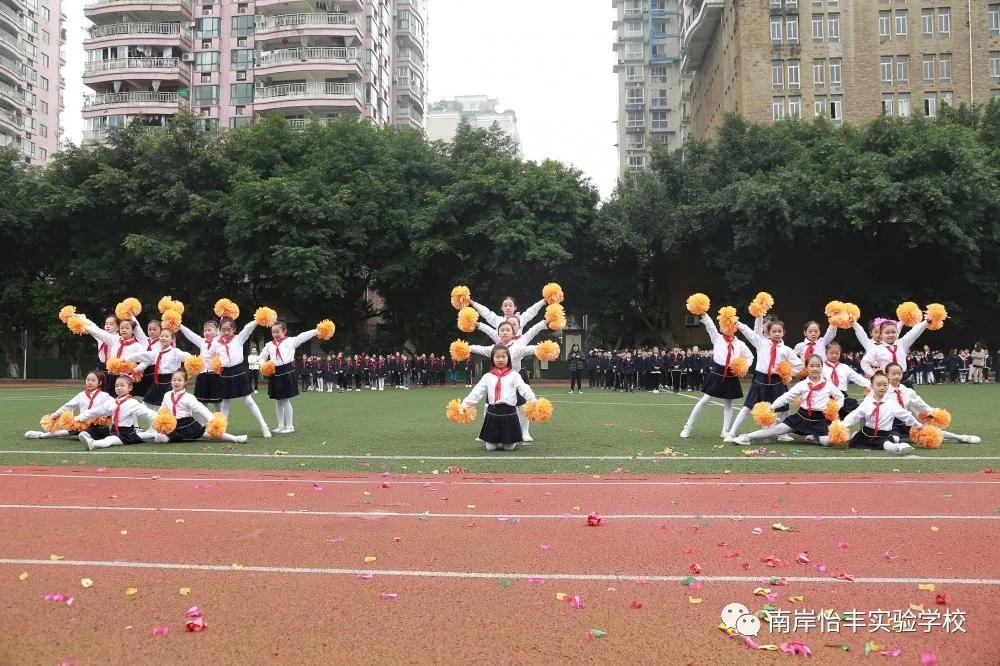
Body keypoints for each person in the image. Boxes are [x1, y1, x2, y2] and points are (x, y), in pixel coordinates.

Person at [731, 355, 844, 446]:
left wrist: (835, 407)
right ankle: (746, 437)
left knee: (827, 442)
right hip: (802, 417)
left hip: (820, 420)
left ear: (821, 367)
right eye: (812, 366)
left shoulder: (828, 385)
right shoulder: (802, 385)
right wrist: (772, 407)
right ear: (807, 368)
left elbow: (840, 397)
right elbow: (787, 397)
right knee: (776, 430)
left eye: (818, 366)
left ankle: (814, 436)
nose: (815, 368)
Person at [725, 318, 803, 441]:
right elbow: (748, 332)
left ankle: (782, 434)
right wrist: (738, 323)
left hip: (777, 381)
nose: (777, 334)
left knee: (784, 409)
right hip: (760, 380)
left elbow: (799, 365)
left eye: (779, 331)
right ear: (769, 332)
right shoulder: (761, 342)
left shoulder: (786, 349)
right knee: (747, 407)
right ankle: (731, 433)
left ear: (783, 332)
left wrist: (788, 374)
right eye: (774, 331)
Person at [680, 312, 754, 439]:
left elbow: (749, 356)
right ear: (721, 327)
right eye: (725, 325)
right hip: (717, 372)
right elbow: (710, 326)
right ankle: (688, 427)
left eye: (731, 325)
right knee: (705, 400)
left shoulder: (740, 344)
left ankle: (725, 431)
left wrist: (744, 367)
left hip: (731, 374)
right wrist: (704, 314)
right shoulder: (717, 338)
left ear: (735, 327)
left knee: (729, 403)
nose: (728, 328)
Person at [461, 345, 538, 451]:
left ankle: (511, 439)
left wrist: (532, 399)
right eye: (497, 357)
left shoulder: (514, 375)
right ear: (492, 358)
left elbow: (524, 388)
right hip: (493, 412)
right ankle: (494, 439)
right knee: (490, 447)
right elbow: (477, 391)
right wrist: (466, 403)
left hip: (509, 412)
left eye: (503, 357)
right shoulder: (488, 376)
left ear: (508, 359)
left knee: (509, 448)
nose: (500, 359)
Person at [883, 363, 981, 444]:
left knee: (929, 431)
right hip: (888, 422)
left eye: (899, 374)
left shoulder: (907, 391)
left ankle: (961, 437)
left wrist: (932, 413)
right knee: (893, 439)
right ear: (886, 374)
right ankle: (899, 440)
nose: (897, 376)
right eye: (893, 374)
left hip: (906, 421)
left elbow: (920, 404)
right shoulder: (882, 390)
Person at [208, 317, 270, 438]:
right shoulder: (216, 342)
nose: (226, 332)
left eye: (228, 329)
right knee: (225, 403)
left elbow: (247, 329)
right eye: (223, 330)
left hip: (238, 371)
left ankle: (264, 426)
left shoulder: (238, 339)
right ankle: (222, 430)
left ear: (234, 329)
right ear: (220, 330)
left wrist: (258, 320)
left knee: (249, 400)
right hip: (224, 373)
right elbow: (210, 356)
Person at [257, 320, 319, 434]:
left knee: (285, 400)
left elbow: (303, 336)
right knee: (278, 401)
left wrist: (317, 330)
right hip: (275, 373)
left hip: (287, 371)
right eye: (273, 332)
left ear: (284, 331)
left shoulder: (291, 341)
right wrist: (264, 365)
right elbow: (261, 357)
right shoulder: (269, 345)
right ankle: (280, 425)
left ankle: (290, 426)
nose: (275, 334)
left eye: (278, 331)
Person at [155, 371, 247, 444]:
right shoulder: (167, 395)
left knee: (207, 434)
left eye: (180, 380)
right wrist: (159, 423)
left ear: (185, 382)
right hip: (172, 425)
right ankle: (171, 436)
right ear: (171, 381)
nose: (176, 382)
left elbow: (201, 409)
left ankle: (236, 438)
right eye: (174, 380)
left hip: (187, 424)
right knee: (159, 439)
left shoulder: (189, 397)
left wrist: (212, 419)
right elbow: (162, 410)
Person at [841, 371, 920, 454]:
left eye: (885, 385)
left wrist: (919, 426)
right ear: (872, 386)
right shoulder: (867, 402)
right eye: (878, 385)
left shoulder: (892, 403)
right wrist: (841, 425)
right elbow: (854, 415)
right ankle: (895, 439)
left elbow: (906, 415)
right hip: (867, 432)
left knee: (885, 444)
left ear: (888, 385)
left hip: (883, 434)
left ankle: (900, 446)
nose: (882, 388)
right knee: (853, 443)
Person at [73, 375, 158, 450]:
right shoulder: (112, 403)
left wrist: (160, 419)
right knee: (133, 436)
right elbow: (97, 411)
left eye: (122, 385)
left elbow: (147, 412)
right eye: (116, 386)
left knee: (110, 440)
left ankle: (93, 444)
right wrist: (80, 417)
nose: (119, 388)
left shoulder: (132, 402)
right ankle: (153, 434)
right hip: (114, 431)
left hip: (125, 434)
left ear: (130, 388)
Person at [25, 371, 112, 440]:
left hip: (99, 426)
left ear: (99, 383)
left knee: (84, 433)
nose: (90, 382)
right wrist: (55, 415)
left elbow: (114, 406)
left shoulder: (104, 395)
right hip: (82, 423)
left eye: (93, 380)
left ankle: (89, 439)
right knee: (65, 432)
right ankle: (41, 435)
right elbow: (68, 406)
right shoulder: (81, 395)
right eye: (88, 380)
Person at [81, 314, 148, 394]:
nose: (124, 330)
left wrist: (138, 369)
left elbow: (147, 359)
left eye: (127, 328)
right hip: (111, 375)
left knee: (123, 399)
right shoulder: (114, 340)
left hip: (125, 377)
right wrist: (83, 324)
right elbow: (99, 332)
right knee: (107, 398)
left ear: (133, 330)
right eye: (122, 328)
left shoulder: (137, 346)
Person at [132, 329, 192, 410]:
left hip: (170, 382)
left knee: (167, 408)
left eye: (166, 336)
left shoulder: (175, 352)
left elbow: (187, 356)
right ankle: (154, 422)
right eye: (161, 336)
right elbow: (143, 355)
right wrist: (126, 358)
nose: (163, 338)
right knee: (145, 406)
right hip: (157, 382)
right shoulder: (156, 352)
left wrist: (194, 360)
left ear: (172, 339)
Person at [821, 342, 870, 418]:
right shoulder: (821, 367)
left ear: (840, 353)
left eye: (837, 353)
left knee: (854, 413)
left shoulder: (844, 367)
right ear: (826, 353)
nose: (834, 355)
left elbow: (858, 378)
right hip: (825, 396)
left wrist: (873, 385)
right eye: (831, 353)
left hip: (841, 395)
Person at [179, 320, 222, 409]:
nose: (206, 332)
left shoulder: (219, 341)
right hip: (202, 375)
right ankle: (202, 423)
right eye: (205, 330)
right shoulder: (202, 342)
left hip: (215, 375)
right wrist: (179, 325)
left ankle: (220, 421)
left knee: (217, 402)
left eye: (209, 330)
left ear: (217, 330)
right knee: (201, 402)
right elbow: (191, 335)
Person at [470, 296, 546, 335]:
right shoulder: (498, 320)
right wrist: (472, 303)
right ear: (502, 308)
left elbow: (531, 311)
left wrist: (543, 301)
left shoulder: (520, 319)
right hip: (502, 355)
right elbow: (486, 313)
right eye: (505, 306)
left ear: (515, 307)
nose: (508, 308)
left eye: (510, 305)